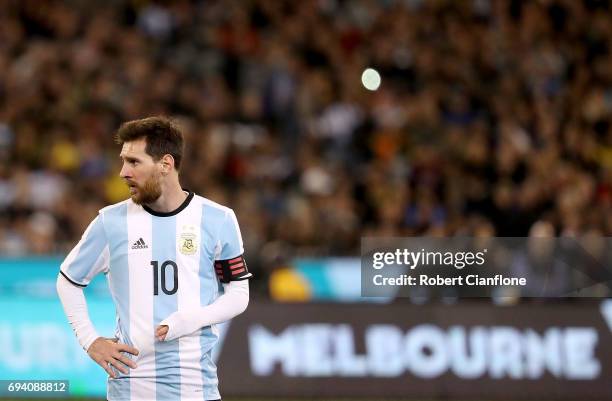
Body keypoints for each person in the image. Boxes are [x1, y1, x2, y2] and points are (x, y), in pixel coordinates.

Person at [56, 116, 251, 401]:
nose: (123, 172)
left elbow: (239, 294)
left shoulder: (218, 219)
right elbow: (67, 281)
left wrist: (191, 319)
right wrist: (90, 340)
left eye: (134, 162)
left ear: (166, 164)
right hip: (131, 388)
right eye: (123, 161)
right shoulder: (110, 223)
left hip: (197, 388)